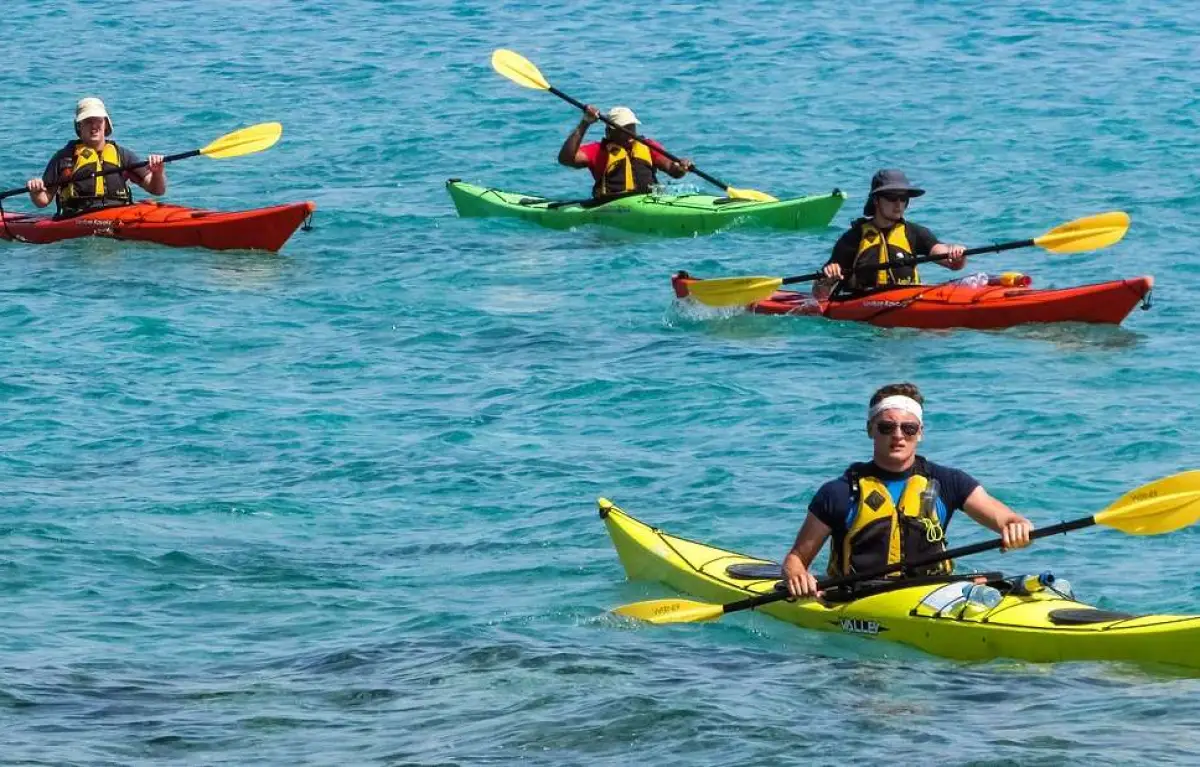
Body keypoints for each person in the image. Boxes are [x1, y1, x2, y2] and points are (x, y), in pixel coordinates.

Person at [783, 382, 1034, 599]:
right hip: (860, 597)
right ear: (870, 429)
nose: (898, 436)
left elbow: (1007, 519)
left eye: (909, 428)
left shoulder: (949, 481)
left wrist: (1017, 527)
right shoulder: (838, 492)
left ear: (920, 433)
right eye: (886, 427)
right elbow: (796, 560)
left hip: (935, 593)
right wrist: (798, 577)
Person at [813, 170, 967, 300]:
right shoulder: (852, 239)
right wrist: (827, 280)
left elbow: (950, 262)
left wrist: (956, 254)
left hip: (908, 303)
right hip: (864, 313)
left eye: (903, 199)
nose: (898, 204)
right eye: (892, 198)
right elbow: (819, 295)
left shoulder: (915, 233)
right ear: (876, 200)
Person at [25, 97, 166, 217]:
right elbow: (42, 201)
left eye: (98, 120)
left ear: (105, 124)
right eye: (88, 121)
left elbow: (157, 190)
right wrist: (35, 191)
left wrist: (158, 172)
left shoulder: (122, 155)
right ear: (79, 126)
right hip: (77, 217)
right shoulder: (63, 158)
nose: (94, 126)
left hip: (120, 215)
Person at [557, 105, 692, 198]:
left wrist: (680, 168)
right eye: (623, 130)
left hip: (649, 201)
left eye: (631, 128)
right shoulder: (598, 151)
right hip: (612, 205)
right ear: (609, 132)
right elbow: (565, 159)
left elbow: (672, 170)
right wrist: (585, 123)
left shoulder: (648, 146)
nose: (630, 134)